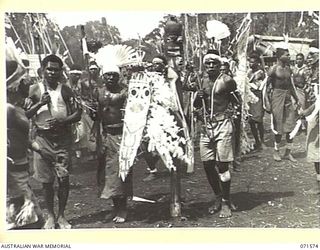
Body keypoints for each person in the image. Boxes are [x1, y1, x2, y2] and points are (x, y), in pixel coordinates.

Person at [25, 54, 82, 229]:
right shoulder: (34, 89)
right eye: (49, 69)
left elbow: (78, 113)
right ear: (43, 70)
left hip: (62, 140)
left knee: (63, 179)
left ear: (60, 72)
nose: (52, 73)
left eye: (56, 70)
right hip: (42, 140)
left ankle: (62, 216)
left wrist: (62, 121)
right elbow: (26, 114)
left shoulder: (65, 90)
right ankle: (50, 216)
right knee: (46, 182)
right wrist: (40, 103)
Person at [193, 50, 237, 218]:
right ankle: (218, 196)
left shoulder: (227, 81)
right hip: (206, 126)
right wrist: (198, 96)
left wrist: (232, 117)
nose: (211, 66)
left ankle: (226, 201)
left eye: (214, 63)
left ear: (220, 66)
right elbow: (197, 104)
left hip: (222, 124)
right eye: (208, 63)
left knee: (223, 165)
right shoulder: (201, 81)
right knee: (207, 164)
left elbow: (237, 101)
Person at [89, 62, 132, 223]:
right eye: (108, 74)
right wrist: (93, 112)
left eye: (114, 75)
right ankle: (115, 206)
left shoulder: (125, 92)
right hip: (105, 134)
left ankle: (123, 208)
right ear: (103, 76)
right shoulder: (98, 92)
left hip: (121, 134)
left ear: (118, 76)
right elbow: (97, 116)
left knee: (120, 171)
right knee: (107, 172)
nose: (111, 77)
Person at [6, 58, 43, 229]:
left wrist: (40, 150)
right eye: (24, 81)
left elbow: (20, 136)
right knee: (22, 223)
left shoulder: (15, 108)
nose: (28, 85)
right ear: (14, 85)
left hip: (21, 169)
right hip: (11, 173)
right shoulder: (7, 109)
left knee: (31, 220)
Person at [266, 46, 300, 162]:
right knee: (278, 126)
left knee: (291, 125)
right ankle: (276, 151)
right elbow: (265, 88)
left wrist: (297, 98)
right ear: (279, 56)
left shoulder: (288, 69)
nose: (289, 56)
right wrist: (267, 103)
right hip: (277, 97)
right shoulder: (273, 69)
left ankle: (288, 152)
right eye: (287, 54)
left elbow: (291, 85)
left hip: (288, 97)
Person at [300, 41, 319, 195]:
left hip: (315, 111)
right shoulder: (308, 71)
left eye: (313, 54)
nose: (309, 56)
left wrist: (308, 111)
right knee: (314, 147)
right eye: (309, 53)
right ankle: (318, 184)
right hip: (314, 114)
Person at [247, 52, 266, 150]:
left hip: (258, 97)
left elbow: (260, 85)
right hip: (250, 97)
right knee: (251, 121)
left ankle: (262, 141)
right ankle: (257, 141)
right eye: (249, 62)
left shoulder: (260, 72)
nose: (251, 64)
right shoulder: (248, 72)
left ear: (257, 62)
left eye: (253, 62)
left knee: (258, 120)